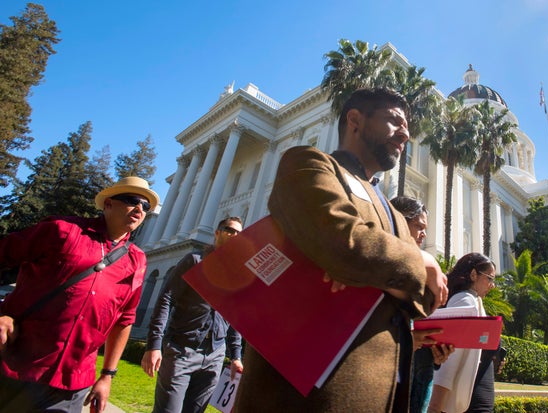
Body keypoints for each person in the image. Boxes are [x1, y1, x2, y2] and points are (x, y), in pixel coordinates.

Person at [235, 88, 448, 413]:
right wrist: (421, 260)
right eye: (394, 121)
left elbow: (425, 297)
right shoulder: (308, 164)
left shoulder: (394, 215)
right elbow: (343, 242)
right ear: (355, 121)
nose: (405, 133)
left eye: (407, 127)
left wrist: (371, 276)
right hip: (302, 398)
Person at [0, 176, 158, 413]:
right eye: (131, 200)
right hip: (17, 365)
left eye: (145, 206)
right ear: (108, 204)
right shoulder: (63, 230)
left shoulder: (137, 261)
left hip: (71, 384)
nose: (139, 209)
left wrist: (107, 376)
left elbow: (124, 319)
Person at [141, 217, 244, 413]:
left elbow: (234, 316)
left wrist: (236, 356)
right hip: (182, 350)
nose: (234, 235)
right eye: (229, 230)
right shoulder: (195, 261)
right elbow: (166, 299)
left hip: (214, 355)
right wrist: (154, 345)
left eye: (239, 233)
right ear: (217, 232)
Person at [390, 196, 453, 413]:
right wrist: (408, 340)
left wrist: (435, 354)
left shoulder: (426, 274)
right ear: (397, 221)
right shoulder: (377, 265)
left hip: (416, 381)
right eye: (418, 226)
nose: (424, 234)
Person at [427, 253, 496, 413]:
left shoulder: (474, 300)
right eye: (489, 278)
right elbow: (451, 357)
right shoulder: (465, 300)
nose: (492, 285)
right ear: (473, 274)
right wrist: (435, 406)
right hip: (468, 403)